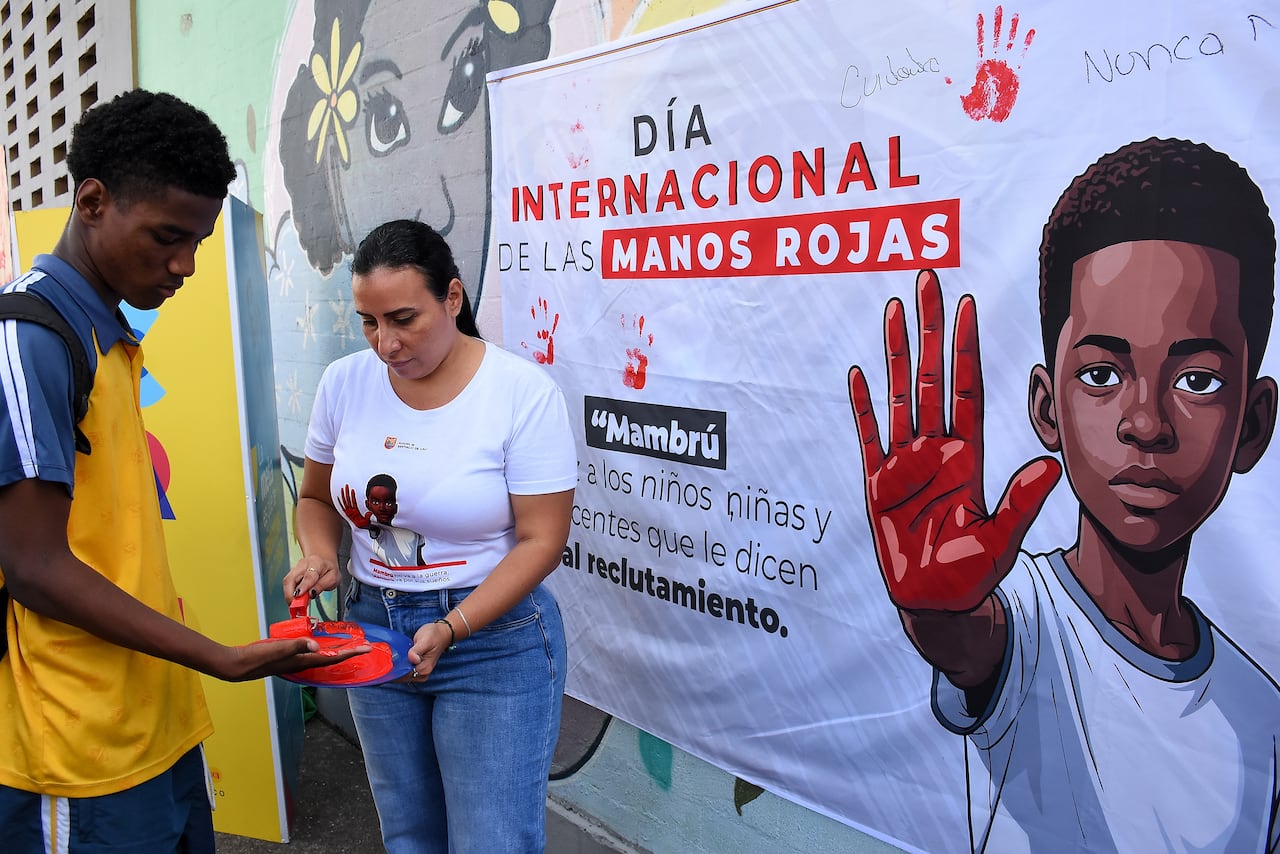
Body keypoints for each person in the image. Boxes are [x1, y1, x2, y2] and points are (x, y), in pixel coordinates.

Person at [847, 138, 1280, 852]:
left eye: (1196, 380)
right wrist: (934, 611)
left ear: (1253, 424)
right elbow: (974, 647)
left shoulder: (1262, 718)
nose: (1145, 423)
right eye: (1103, 375)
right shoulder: (1024, 620)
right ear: (1048, 408)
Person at [0, 90, 369, 852]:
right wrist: (221, 658)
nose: (185, 266)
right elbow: (32, 565)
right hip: (73, 746)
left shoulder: (108, 333)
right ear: (93, 202)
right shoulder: (29, 337)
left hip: (157, 716)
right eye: (168, 236)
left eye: (197, 241)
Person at [284, 218, 576, 853]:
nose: (385, 343)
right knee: (410, 835)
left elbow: (542, 540)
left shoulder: (521, 394)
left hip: (492, 642)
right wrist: (317, 554)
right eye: (369, 321)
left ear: (453, 297)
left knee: (490, 842)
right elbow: (314, 497)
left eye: (404, 318)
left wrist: (452, 627)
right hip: (373, 629)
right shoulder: (344, 383)